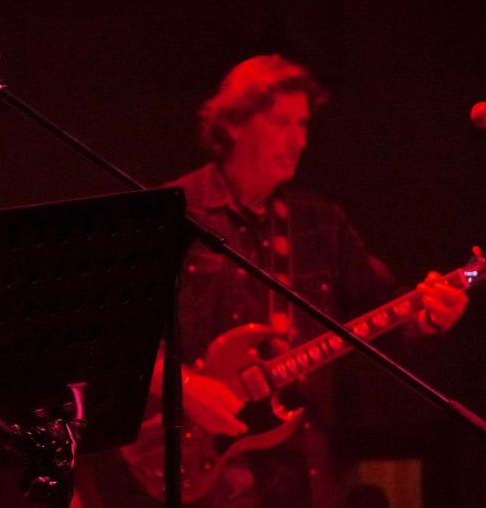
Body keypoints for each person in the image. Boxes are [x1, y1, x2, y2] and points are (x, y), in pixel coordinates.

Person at [73, 55, 468, 508]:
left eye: (303, 124)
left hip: (300, 467)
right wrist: (186, 387)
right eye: (282, 123)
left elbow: (381, 309)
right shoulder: (175, 213)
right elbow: (109, 336)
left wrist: (430, 318)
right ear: (234, 124)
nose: (299, 140)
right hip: (197, 469)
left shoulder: (319, 222)